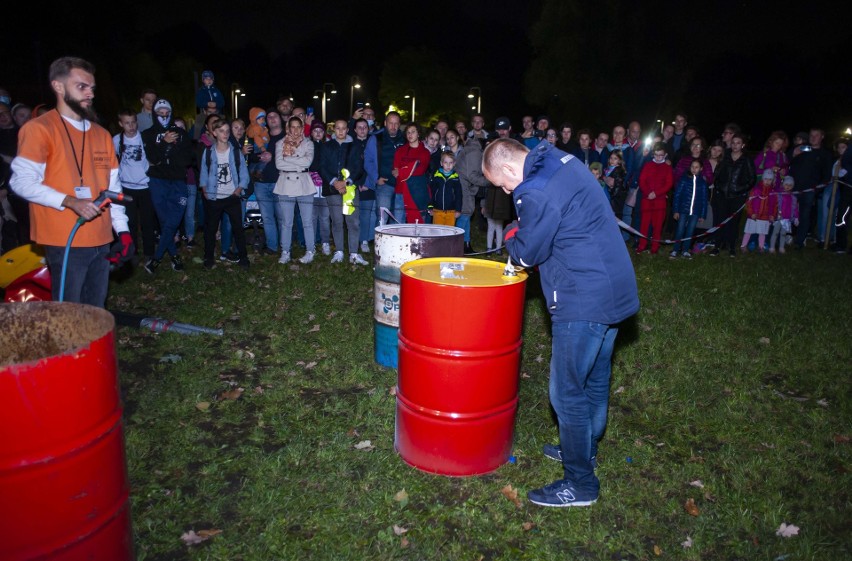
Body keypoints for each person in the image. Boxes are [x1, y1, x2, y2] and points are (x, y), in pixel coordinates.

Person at [482, 138, 639, 508]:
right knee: (595, 377)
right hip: (613, 284)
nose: (505, 191)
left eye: (502, 184)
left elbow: (527, 253)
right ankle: (585, 449)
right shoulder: (556, 157)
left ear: (507, 169)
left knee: (566, 393)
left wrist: (511, 236)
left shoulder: (533, 191)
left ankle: (580, 483)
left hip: (582, 297)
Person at [9, 56, 131, 306]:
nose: (90, 94)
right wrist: (69, 201)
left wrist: (124, 233)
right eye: (82, 87)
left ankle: (90, 347)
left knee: (95, 311)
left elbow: (113, 190)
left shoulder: (102, 134)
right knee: (69, 314)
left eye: (92, 88)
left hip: (102, 239)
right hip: (64, 240)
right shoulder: (39, 129)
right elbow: (21, 182)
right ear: (58, 86)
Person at [141, 98, 194, 273]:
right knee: (165, 221)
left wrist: (169, 152)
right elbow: (153, 159)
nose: (164, 116)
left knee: (173, 220)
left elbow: (188, 158)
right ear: (155, 115)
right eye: (160, 113)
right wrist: (164, 143)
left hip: (178, 182)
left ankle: (156, 258)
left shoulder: (181, 133)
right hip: (158, 182)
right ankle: (174, 256)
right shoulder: (148, 134)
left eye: (167, 113)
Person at [198, 118, 250, 269]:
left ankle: (243, 257)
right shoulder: (208, 152)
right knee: (211, 229)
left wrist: (239, 189)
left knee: (238, 228)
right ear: (214, 133)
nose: (225, 134)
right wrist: (204, 189)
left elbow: (244, 173)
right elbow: (203, 172)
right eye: (221, 131)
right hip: (214, 197)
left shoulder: (235, 152)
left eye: (227, 131)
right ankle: (208, 257)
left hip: (232, 196)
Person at [318, 119, 368, 265]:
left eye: (343, 128)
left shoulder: (355, 146)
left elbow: (359, 167)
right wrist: (334, 182)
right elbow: (322, 167)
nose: (340, 131)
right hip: (333, 189)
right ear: (334, 130)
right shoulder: (327, 146)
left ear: (347, 130)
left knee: (353, 221)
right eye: (337, 128)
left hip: (350, 189)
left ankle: (354, 253)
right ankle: (339, 251)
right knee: (337, 221)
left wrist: (346, 182)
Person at [113, 108, 155, 262]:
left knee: (147, 221)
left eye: (133, 122)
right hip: (127, 187)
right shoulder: (116, 140)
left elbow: (151, 158)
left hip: (145, 186)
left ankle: (149, 253)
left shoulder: (144, 138)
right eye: (127, 123)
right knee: (130, 221)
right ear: (121, 124)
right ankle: (133, 252)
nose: (131, 126)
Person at [275, 116, 317, 264]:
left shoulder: (308, 144)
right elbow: (279, 164)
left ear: (301, 128)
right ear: (288, 128)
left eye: (298, 127)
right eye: (292, 127)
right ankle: (285, 251)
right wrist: (298, 164)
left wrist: (289, 159)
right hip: (285, 185)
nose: (295, 130)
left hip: (304, 185)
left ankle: (310, 250)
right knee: (286, 222)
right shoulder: (280, 143)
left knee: (307, 221)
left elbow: (307, 162)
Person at [709, 133, 756, 257]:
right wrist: (719, 187)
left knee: (734, 222)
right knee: (720, 220)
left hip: (737, 197)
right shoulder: (725, 157)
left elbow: (752, 179)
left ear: (743, 145)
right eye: (733, 142)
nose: (735, 145)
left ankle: (731, 247)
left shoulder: (746, 159)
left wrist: (740, 190)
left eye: (738, 143)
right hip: (722, 195)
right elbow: (717, 174)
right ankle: (717, 246)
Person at [248, 108, 284, 255]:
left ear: (280, 119)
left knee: (282, 217)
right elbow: (249, 157)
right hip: (261, 183)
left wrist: (272, 157)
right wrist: (260, 157)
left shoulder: (287, 137)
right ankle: (272, 246)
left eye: (275, 116)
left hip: (279, 182)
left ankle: (285, 246)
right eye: (268, 117)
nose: (272, 119)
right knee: (267, 217)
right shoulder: (261, 135)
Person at [366, 111, 406, 224]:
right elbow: (368, 161)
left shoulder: (405, 139)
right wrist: (376, 178)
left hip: (401, 184)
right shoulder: (376, 138)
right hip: (384, 184)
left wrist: (403, 172)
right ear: (385, 123)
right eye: (390, 123)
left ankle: (397, 241)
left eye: (396, 123)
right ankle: (381, 241)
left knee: (399, 217)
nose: (393, 126)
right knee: (382, 217)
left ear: (399, 124)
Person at [636, 143, 673, 255]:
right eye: (656, 155)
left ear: (665, 155)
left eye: (660, 155)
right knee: (644, 224)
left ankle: (655, 246)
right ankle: (642, 245)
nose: (658, 158)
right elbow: (642, 180)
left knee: (657, 225)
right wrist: (648, 192)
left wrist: (656, 193)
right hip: (647, 200)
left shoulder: (667, 168)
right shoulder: (648, 165)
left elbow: (669, 183)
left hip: (660, 201)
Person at [392, 123, 431, 224]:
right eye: (408, 132)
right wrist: (411, 167)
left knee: (416, 223)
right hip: (401, 190)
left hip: (417, 192)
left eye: (413, 132)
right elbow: (395, 171)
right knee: (398, 222)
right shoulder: (400, 151)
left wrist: (402, 170)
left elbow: (420, 171)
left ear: (418, 134)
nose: (410, 134)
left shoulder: (425, 152)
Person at [670, 158, 708, 259]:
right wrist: (676, 210)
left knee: (690, 231)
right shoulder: (684, 180)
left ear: (701, 168)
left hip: (695, 212)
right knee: (680, 230)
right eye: (692, 167)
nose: (694, 169)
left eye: (696, 167)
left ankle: (685, 250)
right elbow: (677, 195)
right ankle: (675, 249)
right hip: (683, 210)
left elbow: (704, 200)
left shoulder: (703, 183)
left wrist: (703, 214)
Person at [741, 169, 778, 253]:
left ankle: (761, 246)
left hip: (765, 217)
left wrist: (772, 215)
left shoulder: (773, 192)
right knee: (748, 231)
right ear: (762, 179)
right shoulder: (755, 190)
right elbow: (749, 203)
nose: (767, 181)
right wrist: (751, 213)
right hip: (754, 216)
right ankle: (743, 245)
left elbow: (775, 205)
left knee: (762, 233)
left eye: (770, 180)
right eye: (766, 179)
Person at [428, 151, 462, 226]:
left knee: (449, 233)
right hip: (437, 210)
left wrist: (458, 210)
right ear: (441, 163)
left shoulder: (456, 178)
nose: (448, 165)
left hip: (451, 212)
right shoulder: (436, 177)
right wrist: (430, 207)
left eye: (451, 163)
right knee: (437, 232)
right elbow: (431, 192)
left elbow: (459, 195)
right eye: (445, 162)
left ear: (454, 164)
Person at [769, 175, 799, 253]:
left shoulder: (793, 197)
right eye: (786, 184)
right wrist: (772, 214)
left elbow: (795, 208)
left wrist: (796, 217)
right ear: (783, 184)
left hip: (787, 219)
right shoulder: (779, 194)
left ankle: (781, 247)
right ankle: (772, 247)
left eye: (790, 185)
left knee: (783, 234)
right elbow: (774, 205)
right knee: (775, 232)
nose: (788, 186)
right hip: (779, 218)